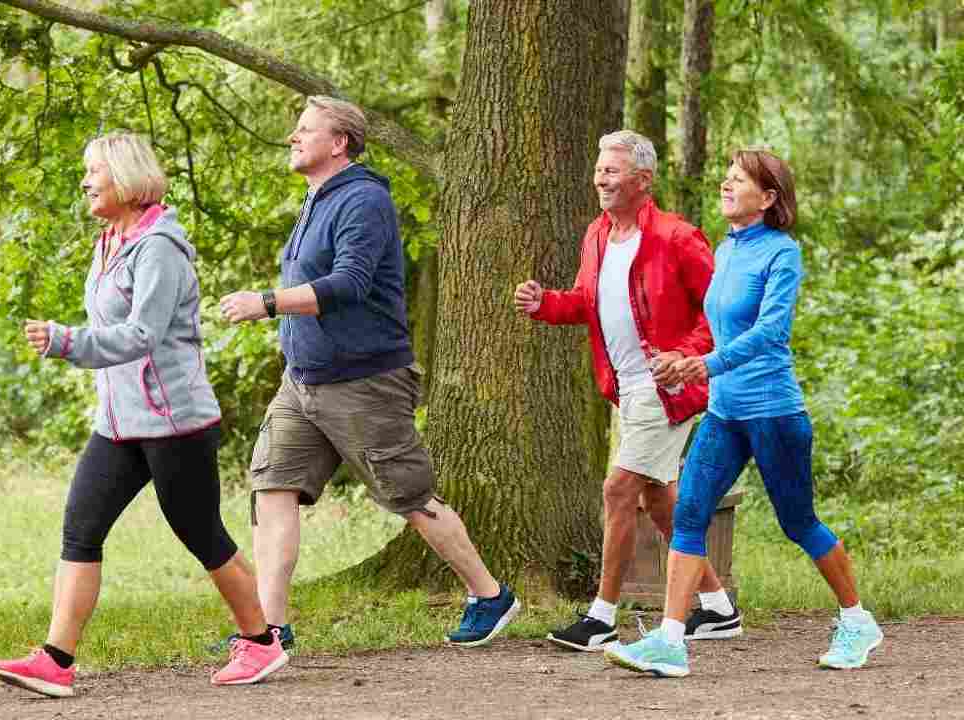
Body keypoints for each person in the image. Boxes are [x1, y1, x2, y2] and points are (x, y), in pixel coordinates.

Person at [0, 133, 287, 697]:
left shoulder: (159, 249)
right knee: (81, 528)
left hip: (176, 422)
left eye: (93, 169)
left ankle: (262, 643)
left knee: (200, 532)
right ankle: (56, 660)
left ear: (124, 176)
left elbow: (143, 334)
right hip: (119, 424)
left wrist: (68, 342)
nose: (85, 180)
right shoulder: (110, 241)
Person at [219, 95, 520, 649]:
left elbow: (349, 284)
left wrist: (267, 301)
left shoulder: (363, 200)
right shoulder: (315, 199)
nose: (293, 136)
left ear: (339, 143)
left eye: (305, 129)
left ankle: (489, 593)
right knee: (272, 488)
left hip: (364, 381)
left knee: (409, 496)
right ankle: (269, 631)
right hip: (303, 380)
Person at [606, 149, 883, 677]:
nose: (727, 184)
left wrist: (703, 365)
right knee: (689, 513)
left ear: (769, 197)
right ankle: (669, 640)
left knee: (798, 521)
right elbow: (715, 325)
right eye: (727, 177)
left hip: (773, 412)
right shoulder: (728, 250)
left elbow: (771, 332)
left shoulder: (782, 254)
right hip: (725, 411)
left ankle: (856, 619)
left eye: (740, 179)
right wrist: (684, 360)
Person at [514, 130, 740, 652]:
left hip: (668, 390)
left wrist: (685, 358)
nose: (600, 178)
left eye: (612, 171)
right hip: (627, 389)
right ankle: (719, 608)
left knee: (618, 490)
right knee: (659, 501)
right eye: (599, 170)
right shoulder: (596, 234)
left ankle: (602, 616)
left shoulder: (676, 237)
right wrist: (544, 303)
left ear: (643, 180)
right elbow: (586, 302)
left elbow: (720, 312)